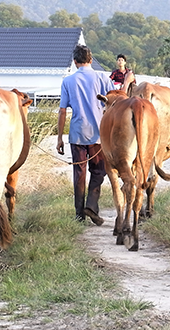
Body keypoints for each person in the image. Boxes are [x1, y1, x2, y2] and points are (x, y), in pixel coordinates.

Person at [57, 44, 113, 225]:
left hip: (77, 133)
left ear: (75, 62)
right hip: (99, 134)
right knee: (98, 171)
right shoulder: (102, 78)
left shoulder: (68, 81)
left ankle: (79, 215)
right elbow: (114, 103)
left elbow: (63, 111)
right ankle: (91, 204)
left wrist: (59, 138)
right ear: (91, 60)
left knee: (79, 173)